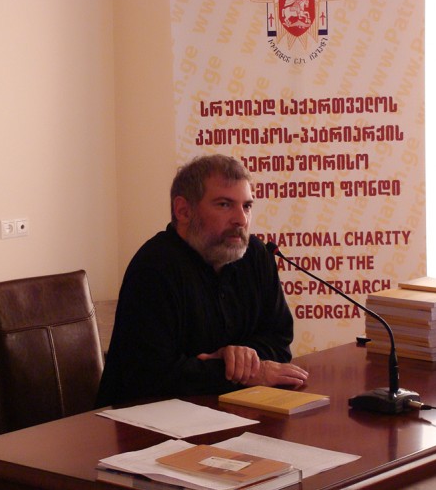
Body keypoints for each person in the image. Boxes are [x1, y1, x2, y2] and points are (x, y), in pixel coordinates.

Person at [95, 154, 308, 407]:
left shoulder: (256, 255)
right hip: (145, 419)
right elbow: (150, 376)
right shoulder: (154, 267)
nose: (241, 219)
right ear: (184, 211)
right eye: (224, 205)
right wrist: (243, 370)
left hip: (230, 409)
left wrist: (240, 358)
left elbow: (280, 341)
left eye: (247, 206)